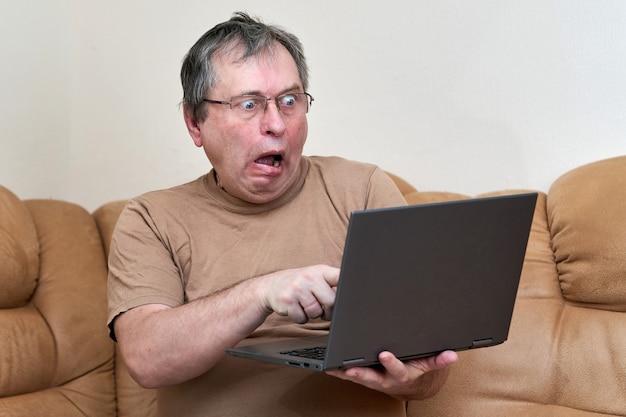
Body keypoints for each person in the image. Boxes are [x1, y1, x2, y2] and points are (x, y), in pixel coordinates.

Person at [107, 12, 458, 417]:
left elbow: (432, 374)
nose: (276, 124)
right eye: (250, 104)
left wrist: (413, 378)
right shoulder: (152, 218)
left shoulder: (362, 189)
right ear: (194, 122)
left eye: (290, 101)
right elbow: (147, 360)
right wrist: (262, 292)